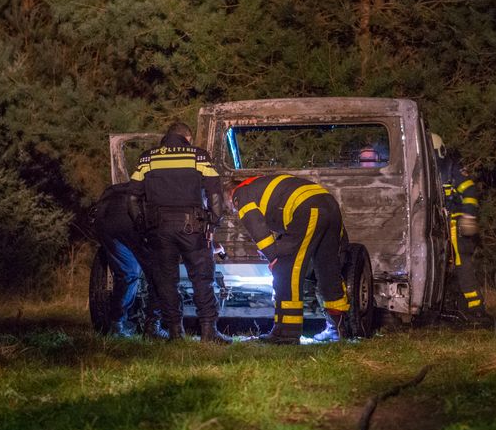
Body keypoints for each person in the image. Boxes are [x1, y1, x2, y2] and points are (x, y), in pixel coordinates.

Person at [126, 122, 231, 344]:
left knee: (166, 281)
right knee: (202, 279)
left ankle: (175, 333)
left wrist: (142, 225)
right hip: (194, 227)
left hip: (159, 229)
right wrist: (213, 222)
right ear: (187, 137)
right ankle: (208, 332)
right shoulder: (198, 156)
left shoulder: (147, 158)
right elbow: (215, 193)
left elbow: (132, 197)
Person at [227, 174, 351, 344]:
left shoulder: (241, 193)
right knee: (328, 271)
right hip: (329, 204)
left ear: (230, 194)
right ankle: (339, 329)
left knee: (285, 271)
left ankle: (286, 334)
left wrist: (273, 257)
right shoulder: (262, 185)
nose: (233, 209)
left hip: (307, 209)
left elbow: (257, 228)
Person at [431, 133, 494, 326]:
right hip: (439, 225)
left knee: (462, 263)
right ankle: (452, 306)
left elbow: (469, 191)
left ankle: (475, 308)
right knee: (442, 266)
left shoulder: (452, 169)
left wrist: (468, 217)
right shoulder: (426, 170)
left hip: (455, 223)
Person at [92, 181, 165, 339]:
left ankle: (117, 325)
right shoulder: (161, 188)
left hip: (103, 218)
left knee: (127, 274)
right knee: (158, 274)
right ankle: (153, 326)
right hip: (130, 219)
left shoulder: (125, 187)